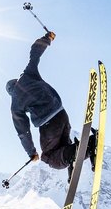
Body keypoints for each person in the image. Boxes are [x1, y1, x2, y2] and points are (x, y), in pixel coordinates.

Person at [6, 32, 96, 181]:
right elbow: (34, 53)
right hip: (62, 114)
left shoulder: (15, 104)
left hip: (49, 125)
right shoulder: (28, 75)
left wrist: (32, 152)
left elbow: (23, 132)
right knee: (63, 149)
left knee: (50, 158)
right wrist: (47, 38)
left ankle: (91, 145)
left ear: (10, 92)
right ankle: (76, 157)